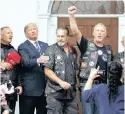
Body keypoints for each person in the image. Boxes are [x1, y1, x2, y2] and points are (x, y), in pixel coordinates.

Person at [68, 6, 113, 114]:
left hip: (103, 86)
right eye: (97, 30)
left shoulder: (109, 50)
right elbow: (75, 31)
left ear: (105, 34)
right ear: (93, 33)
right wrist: (71, 15)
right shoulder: (86, 45)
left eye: (102, 31)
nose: (100, 33)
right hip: (87, 85)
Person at [43, 27, 78, 114]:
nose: (60, 38)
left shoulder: (73, 50)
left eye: (62, 36)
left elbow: (75, 69)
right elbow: (47, 70)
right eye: (58, 36)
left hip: (70, 94)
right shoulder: (50, 50)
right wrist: (60, 82)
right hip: (55, 93)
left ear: (67, 37)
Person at [18, 23, 49, 114]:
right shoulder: (23, 47)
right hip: (29, 89)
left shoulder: (45, 45)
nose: (33, 31)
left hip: (44, 89)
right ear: (25, 34)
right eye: (30, 30)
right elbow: (26, 62)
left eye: (34, 29)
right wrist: (39, 60)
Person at [0, 26, 22, 114]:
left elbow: (19, 70)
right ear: (1, 35)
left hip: (10, 89)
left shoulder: (14, 51)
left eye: (11, 33)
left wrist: (19, 84)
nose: (11, 35)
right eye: (8, 33)